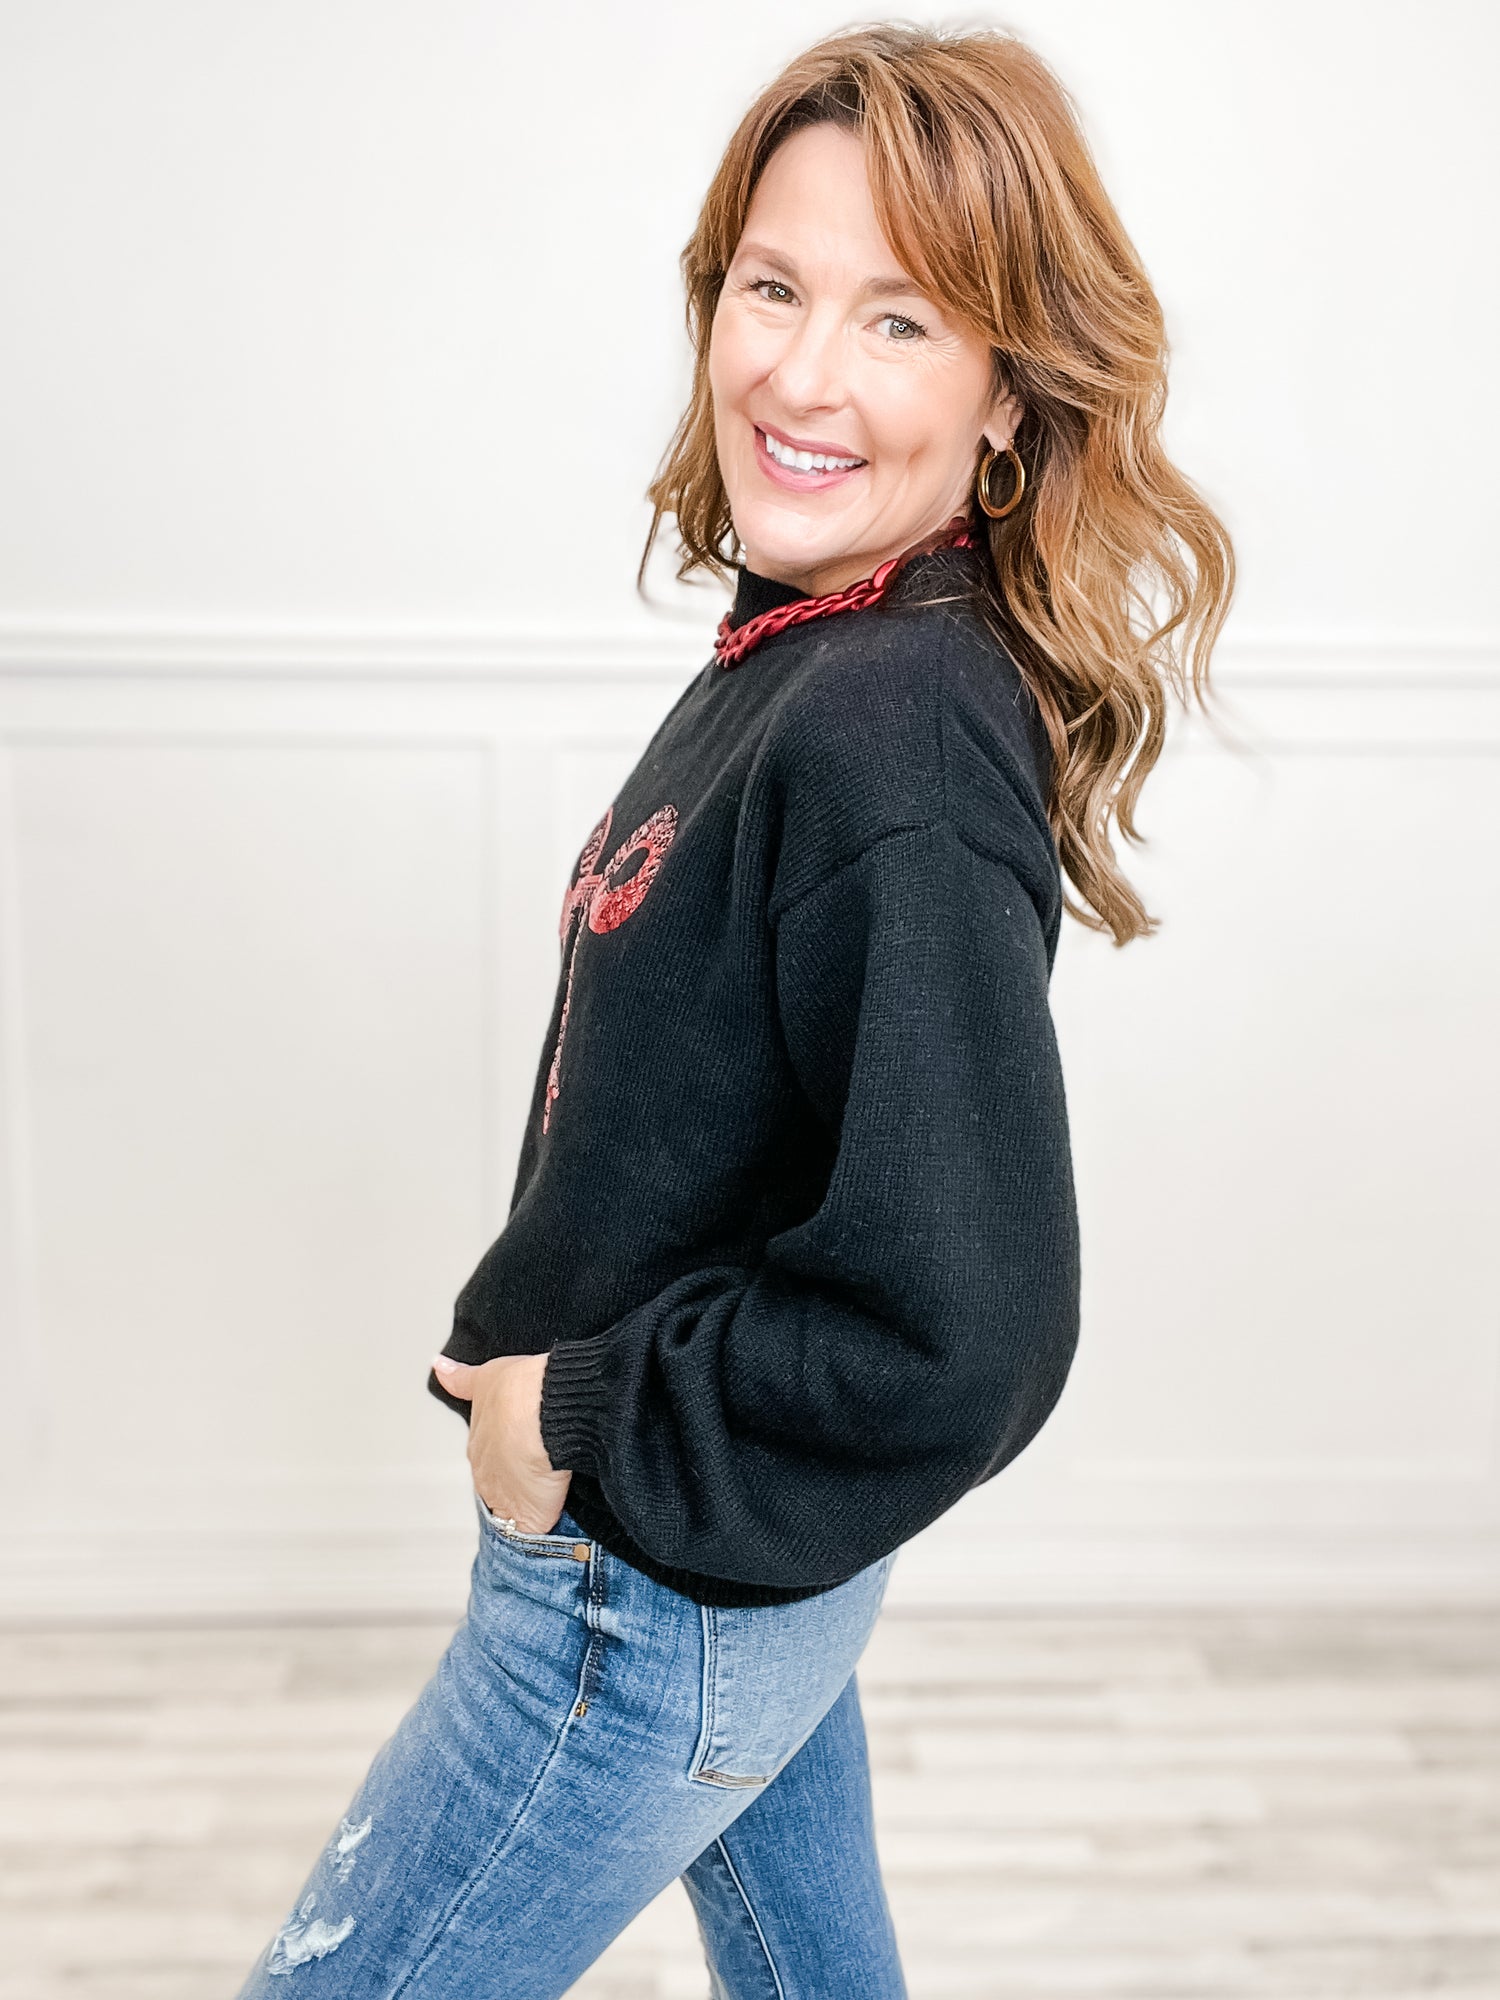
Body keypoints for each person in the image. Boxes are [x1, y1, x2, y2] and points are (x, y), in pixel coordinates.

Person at [233, 22, 1233, 1999]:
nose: (800, 371)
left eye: (900, 321)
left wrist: (576, 1411)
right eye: (774, 289)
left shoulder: (893, 730)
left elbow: (966, 1328)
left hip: (648, 1600)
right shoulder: (817, 643)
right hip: (724, 1570)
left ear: (1007, 399)